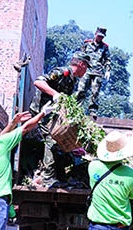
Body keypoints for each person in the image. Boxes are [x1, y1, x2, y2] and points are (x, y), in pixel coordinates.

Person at [29, 52, 91, 187]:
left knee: (61, 141)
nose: (86, 71)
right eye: (86, 67)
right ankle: (47, 178)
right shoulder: (63, 72)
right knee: (51, 138)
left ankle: (60, 176)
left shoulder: (73, 80)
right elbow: (38, 82)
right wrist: (55, 94)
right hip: (42, 110)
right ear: (81, 64)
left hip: (53, 113)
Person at [74, 27, 111, 119]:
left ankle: (93, 110)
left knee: (95, 92)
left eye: (102, 36)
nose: (100, 38)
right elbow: (80, 55)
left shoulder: (105, 47)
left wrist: (108, 71)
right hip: (86, 70)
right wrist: (77, 68)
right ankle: (76, 108)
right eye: (99, 36)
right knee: (81, 90)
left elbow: (107, 60)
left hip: (98, 71)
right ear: (95, 34)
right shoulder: (87, 44)